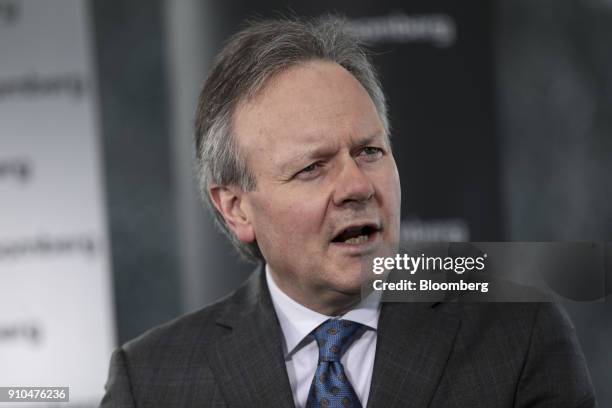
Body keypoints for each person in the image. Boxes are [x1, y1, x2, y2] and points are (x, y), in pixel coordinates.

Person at [100, 16, 596, 407]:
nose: (358, 185)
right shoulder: (151, 382)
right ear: (236, 209)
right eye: (313, 167)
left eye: (370, 152)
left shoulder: (518, 332)